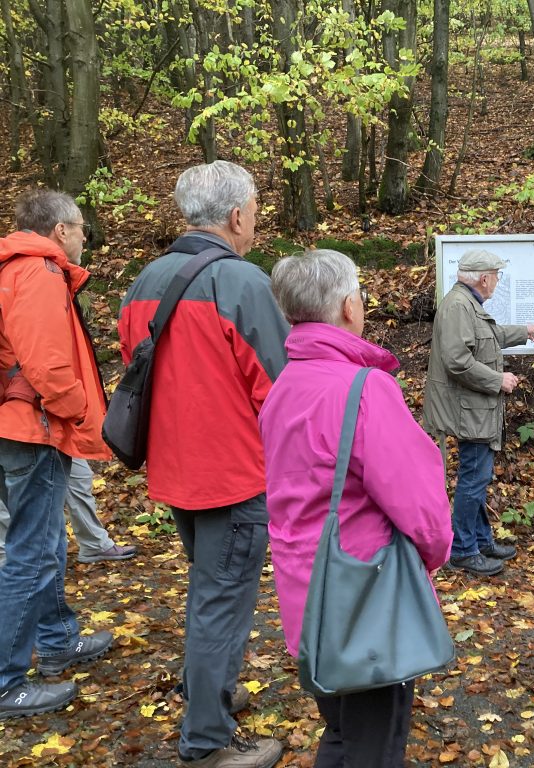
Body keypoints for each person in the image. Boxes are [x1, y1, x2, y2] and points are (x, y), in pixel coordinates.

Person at [118, 161, 288, 768]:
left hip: (175, 470)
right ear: (237, 214)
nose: (257, 218)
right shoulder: (243, 283)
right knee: (221, 600)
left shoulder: (144, 281)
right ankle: (207, 743)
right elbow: (279, 387)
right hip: (233, 475)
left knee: (209, 592)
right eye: (256, 206)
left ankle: (211, 692)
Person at [260, 249, 453, 766]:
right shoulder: (365, 389)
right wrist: (432, 556)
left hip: (308, 593)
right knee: (375, 743)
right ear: (349, 305)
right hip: (367, 597)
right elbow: (420, 501)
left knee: (343, 731)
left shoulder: (283, 387)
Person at [0, 189, 114, 720]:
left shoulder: (12, 267)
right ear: (60, 230)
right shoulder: (39, 272)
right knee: (32, 551)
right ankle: (5, 680)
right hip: (33, 425)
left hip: (18, 423)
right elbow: (46, 363)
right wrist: (80, 412)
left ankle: (56, 641)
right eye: (80, 227)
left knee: (39, 545)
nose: (85, 236)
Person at [423, 249, 534, 577]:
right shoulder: (460, 306)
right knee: (474, 479)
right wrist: (497, 380)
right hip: (469, 410)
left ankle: (479, 540)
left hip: (472, 408)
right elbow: (458, 361)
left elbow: (488, 338)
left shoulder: (466, 304)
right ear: (484, 278)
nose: (498, 281)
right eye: (497, 275)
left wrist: (523, 331)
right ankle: (463, 550)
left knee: (477, 477)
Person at [0, 459, 136, 567]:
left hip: (50, 430)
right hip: (21, 433)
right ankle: (7, 555)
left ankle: (94, 543)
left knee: (79, 475)